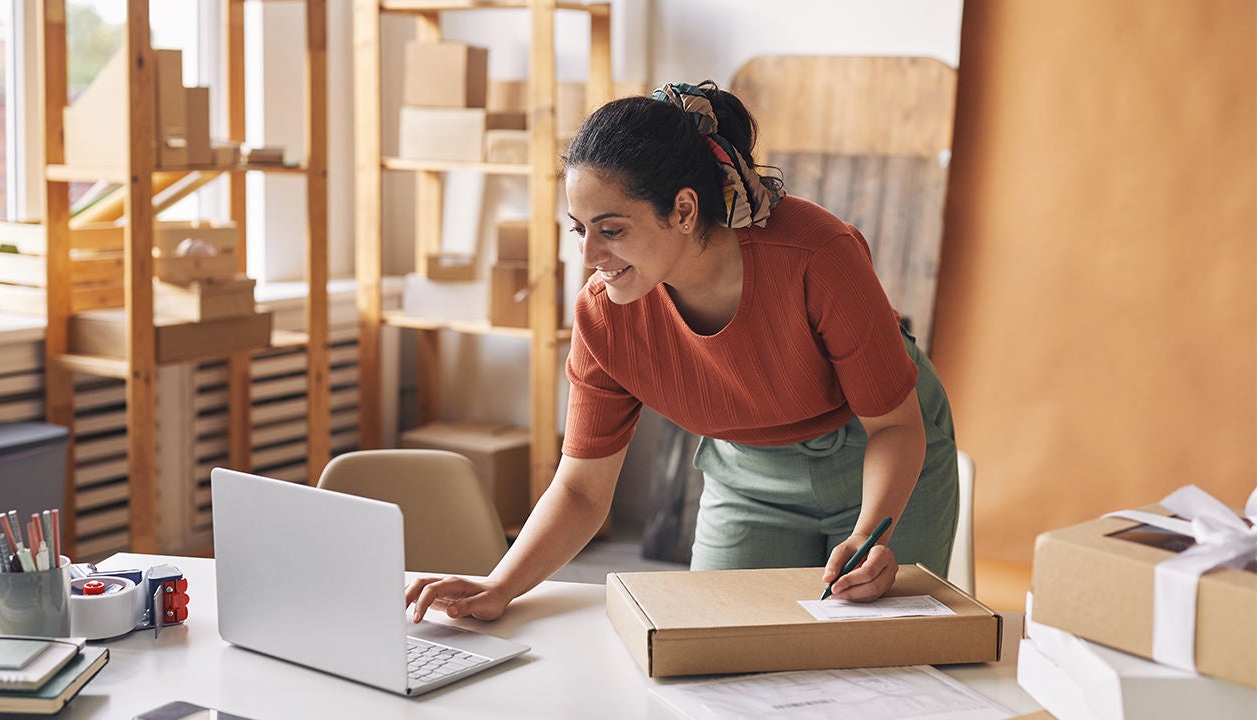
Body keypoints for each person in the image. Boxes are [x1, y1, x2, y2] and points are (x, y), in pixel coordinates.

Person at [406, 80, 958, 623]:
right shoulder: (605, 314)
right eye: (579, 230)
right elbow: (581, 488)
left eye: (612, 229)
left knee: (882, 660)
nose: (589, 254)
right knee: (721, 651)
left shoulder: (816, 255)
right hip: (747, 474)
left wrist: (869, 535)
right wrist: (500, 584)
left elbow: (894, 426)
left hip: (879, 447)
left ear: (685, 209)